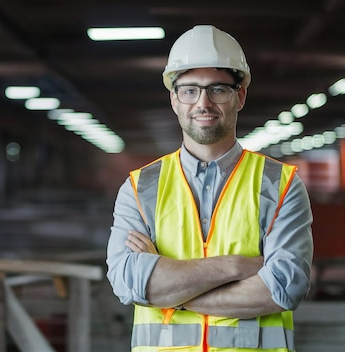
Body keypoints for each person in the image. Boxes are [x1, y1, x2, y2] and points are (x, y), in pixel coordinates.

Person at [106, 24, 313, 352]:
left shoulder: (280, 185)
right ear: (174, 99)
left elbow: (284, 288)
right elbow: (128, 282)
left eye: (218, 89)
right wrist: (238, 267)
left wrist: (173, 295)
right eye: (189, 90)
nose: (203, 102)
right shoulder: (139, 187)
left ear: (240, 96)